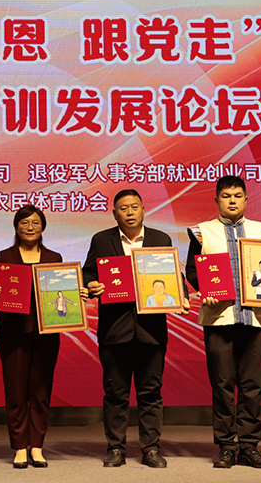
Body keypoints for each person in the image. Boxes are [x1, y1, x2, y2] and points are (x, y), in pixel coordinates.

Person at [185, 176, 261, 469]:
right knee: (222, 385)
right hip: (219, 318)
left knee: (252, 385)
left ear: (245, 199)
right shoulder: (202, 232)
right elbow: (193, 270)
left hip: (255, 318)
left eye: (237, 195)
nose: (232, 200)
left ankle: (249, 446)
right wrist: (205, 289)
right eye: (226, 196)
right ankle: (227, 447)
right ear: (216, 200)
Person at [83, 189, 182, 469]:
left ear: (143, 209)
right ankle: (116, 448)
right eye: (123, 208)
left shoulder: (160, 239)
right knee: (116, 393)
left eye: (134, 207)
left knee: (151, 392)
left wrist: (182, 295)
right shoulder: (102, 240)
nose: (129, 212)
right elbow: (89, 272)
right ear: (114, 213)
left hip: (151, 330)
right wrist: (91, 284)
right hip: (115, 329)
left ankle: (151, 449)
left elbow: (174, 274)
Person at [0, 205, 83, 468]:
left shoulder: (53, 257)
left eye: (35, 223)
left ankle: (36, 446)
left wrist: (77, 293)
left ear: (43, 227)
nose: (30, 227)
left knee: (40, 391)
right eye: (25, 222)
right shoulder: (4, 256)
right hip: (13, 333)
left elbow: (63, 291)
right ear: (16, 227)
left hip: (46, 333)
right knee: (16, 392)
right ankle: (19, 447)